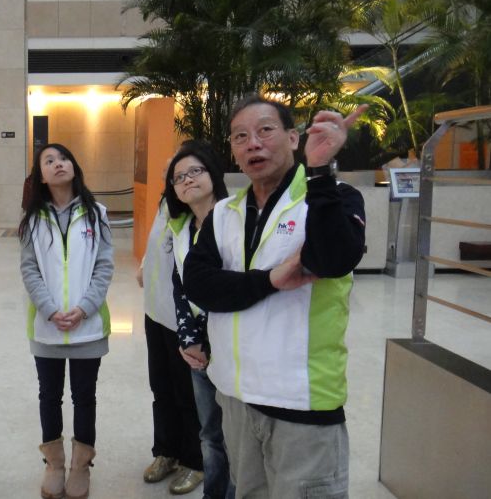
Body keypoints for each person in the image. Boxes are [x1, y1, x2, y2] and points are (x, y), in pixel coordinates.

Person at [184, 95, 367, 498]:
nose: (253, 143)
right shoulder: (224, 213)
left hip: (300, 402)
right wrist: (269, 280)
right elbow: (198, 285)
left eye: (265, 130)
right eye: (240, 136)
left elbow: (334, 258)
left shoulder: (332, 197)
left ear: (293, 138)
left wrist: (319, 170)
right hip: (236, 398)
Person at [19, 143, 114, 499]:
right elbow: (29, 268)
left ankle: (80, 467)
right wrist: (48, 309)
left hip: (88, 326)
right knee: (49, 396)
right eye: (49, 161)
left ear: (74, 167)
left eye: (64, 158)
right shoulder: (32, 219)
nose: (59, 164)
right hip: (47, 326)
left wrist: (85, 307)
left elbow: (104, 265)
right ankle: (55, 465)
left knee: (85, 396)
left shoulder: (97, 214)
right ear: (41, 176)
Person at [163, 141, 235, 499]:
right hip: (198, 347)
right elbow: (180, 284)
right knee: (209, 432)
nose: (187, 180)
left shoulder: (236, 219)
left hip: (232, 341)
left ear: (212, 174)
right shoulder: (182, 227)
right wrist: (188, 339)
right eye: (179, 177)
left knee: (236, 433)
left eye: (195, 171)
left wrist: (209, 338)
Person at [136, 146, 206, 495]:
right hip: (155, 312)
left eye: (185, 172)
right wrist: (144, 265)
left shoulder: (200, 211)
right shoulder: (167, 203)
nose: (177, 178)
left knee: (186, 394)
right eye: (173, 174)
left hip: (183, 320)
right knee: (161, 388)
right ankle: (166, 451)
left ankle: (195, 461)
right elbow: (158, 243)